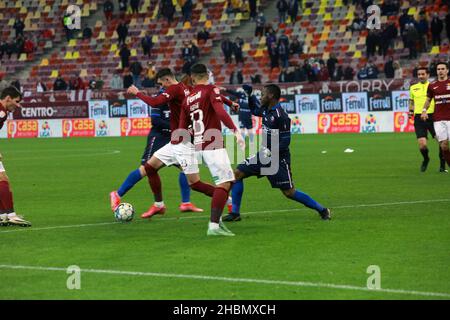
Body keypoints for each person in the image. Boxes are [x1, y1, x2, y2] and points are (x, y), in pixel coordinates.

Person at [119, 68, 239, 219]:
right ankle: (159, 205)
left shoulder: (175, 89)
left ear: (167, 80)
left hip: (183, 142)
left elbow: (155, 102)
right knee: (150, 167)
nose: (162, 87)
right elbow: (214, 94)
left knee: (194, 183)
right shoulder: (188, 88)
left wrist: (137, 92)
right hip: (177, 140)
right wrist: (230, 102)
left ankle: (224, 198)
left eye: (162, 84)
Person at [224, 84, 331, 222]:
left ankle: (322, 210)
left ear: (271, 96)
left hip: (278, 160)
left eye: (262, 95)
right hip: (264, 155)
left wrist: (271, 152)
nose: (261, 97)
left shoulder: (281, 116)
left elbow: (286, 141)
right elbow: (255, 110)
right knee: (237, 174)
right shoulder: (265, 110)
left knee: (289, 192)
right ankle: (235, 213)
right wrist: (250, 96)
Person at [110, 88, 203, 213]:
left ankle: (185, 203)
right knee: (145, 169)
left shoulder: (179, 100)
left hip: (174, 138)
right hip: (159, 137)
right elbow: (155, 120)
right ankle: (117, 194)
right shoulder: (160, 98)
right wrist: (177, 127)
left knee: (185, 167)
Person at [178, 63, 245, 236]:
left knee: (223, 183)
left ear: (192, 78)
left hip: (198, 145)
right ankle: (214, 225)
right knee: (226, 182)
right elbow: (220, 112)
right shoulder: (210, 90)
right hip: (212, 143)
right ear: (207, 74)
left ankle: (218, 219)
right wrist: (235, 131)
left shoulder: (187, 99)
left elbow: (181, 129)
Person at [0, 87, 31, 227]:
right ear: (8, 98)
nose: (18, 105)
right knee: (2, 179)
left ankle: (3, 214)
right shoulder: (1, 112)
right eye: (16, 101)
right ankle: (10, 215)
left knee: (2, 179)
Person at [409, 67, 447, 173]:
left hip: (433, 117)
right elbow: (411, 101)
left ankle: (442, 165)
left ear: (428, 75)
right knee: (422, 144)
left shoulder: (434, 86)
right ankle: (426, 159)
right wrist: (410, 112)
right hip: (419, 117)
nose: (421, 76)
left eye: (423, 74)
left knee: (441, 142)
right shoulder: (413, 87)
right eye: (419, 74)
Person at [421, 62, 450, 170]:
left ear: (447, 70)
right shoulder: (432, 85)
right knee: (443, 145)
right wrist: (424, 110)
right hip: (438, 119)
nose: (440, 71)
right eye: (438, 69)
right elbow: (428, 100)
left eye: (443, 69)